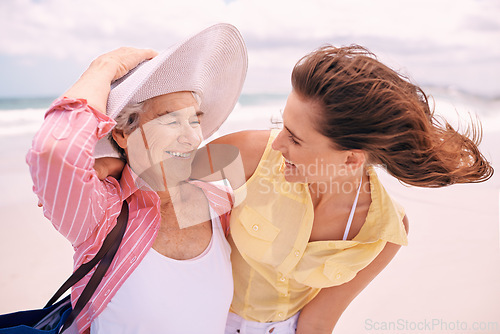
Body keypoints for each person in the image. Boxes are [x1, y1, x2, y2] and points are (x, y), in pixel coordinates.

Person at [207, 45, 493, 333]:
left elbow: (317, 321)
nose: (278, 143)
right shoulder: (248, 155)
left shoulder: (380, 232)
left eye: (295, 139)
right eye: (282, 125)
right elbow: (164, 180)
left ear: (351, 159)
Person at [26, 23, 247, 334]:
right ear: (122, 132)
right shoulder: (102, 211)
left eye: (194, 120)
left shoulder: (220, 202)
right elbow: (54, 151)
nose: (190, 137)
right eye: (170, 120)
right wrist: (104, 68)